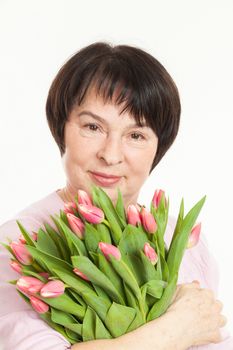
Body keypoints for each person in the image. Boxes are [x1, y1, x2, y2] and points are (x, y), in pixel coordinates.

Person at [0, 42, 232, 350]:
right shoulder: (20, 245)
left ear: (158, 147)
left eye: (136, 135)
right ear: (61, 129)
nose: (110, 155)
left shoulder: (183, 241)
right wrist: (175, 329)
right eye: (93, 127)